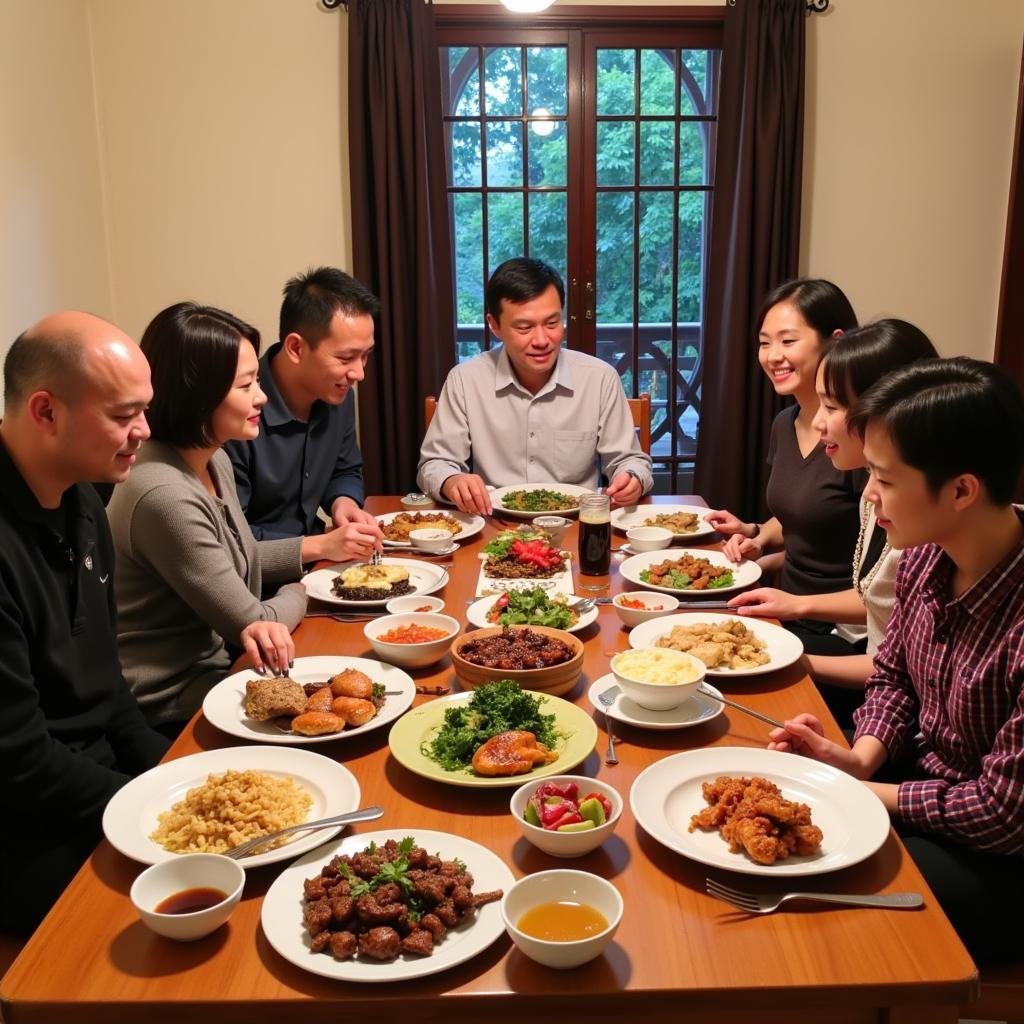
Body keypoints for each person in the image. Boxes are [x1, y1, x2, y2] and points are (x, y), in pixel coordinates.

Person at [767, 357, 1024, 965]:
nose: (870, 495)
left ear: (962, 490)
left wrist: (866, 791)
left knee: (817, 911)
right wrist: (860, 757)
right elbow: (894, 678)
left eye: (883, 477)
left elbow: (1004, 814)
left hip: (1001, 855)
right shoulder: (923, 558)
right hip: (923, 791)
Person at [108, 303, 365, 729]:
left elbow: (236, 559)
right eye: (246, 385)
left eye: (257, 381)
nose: (261, 396)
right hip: (174, 697)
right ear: (198, 394)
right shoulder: (164, 494)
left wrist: (321, 553)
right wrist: (306, 587)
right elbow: (256, 621)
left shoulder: (213, 460)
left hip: (224, 666)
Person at [0, 312, 169, 937]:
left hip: (95, 785)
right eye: (124, 415)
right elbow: (17, 760)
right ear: (45, 411)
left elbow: (109, 690)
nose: (143, 432)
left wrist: (177, 779)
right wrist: (152, 809)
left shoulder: (83, 502)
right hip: (26, 826)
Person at [727, 320, 938, 721]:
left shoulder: (922, 523)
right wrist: (789, 598)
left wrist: (797, 652)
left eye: (833, 406)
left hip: (877, 691)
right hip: (879, 702)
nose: (819, 421)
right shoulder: (873, 500)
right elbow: (881, 611)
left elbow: (899, 673)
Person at [416, 257, 654, 515]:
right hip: (495, 524)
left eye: (552, 323)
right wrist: (452, 481)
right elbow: (435, 464)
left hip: (577, 525)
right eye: (524, 327)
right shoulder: (465, 380)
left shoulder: (599, 378)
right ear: (494, 325)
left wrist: (632, 478)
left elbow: (629, 459)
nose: (542, 340)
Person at [704, 278, 864, 656]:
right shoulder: (784, 423)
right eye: (764, 342)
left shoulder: (857, 438)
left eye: (788, 341)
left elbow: (884, 585)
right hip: (784, 608)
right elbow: (801, 515)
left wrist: (792, 601)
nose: (773, 355)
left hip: (840, 630)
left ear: (835, 341)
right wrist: (756, 536)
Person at [226, 266, 383, 562]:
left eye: (366, 356)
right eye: (346, 357)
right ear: (296, 348)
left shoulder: (338, 394)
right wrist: (319, 545)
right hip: (259, 583)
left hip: (316, 564)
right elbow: (232, 541)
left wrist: (343, 502)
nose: (359, 373)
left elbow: (345, 469)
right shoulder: (238, 410)